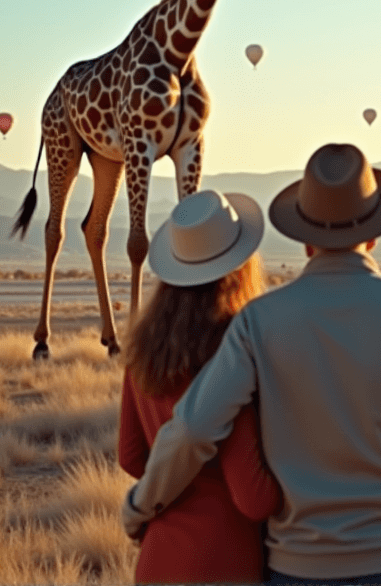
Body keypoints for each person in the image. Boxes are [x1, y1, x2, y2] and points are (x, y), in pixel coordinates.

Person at [122, 144, 381, 586]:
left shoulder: (258, 322)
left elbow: (193, 429)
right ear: (375, 234)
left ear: (304, 237)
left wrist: (141, 506)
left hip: (300, 566)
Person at [118, 187, 282, 584]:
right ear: (241, 267)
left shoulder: (144, 347)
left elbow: (131, 456)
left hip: (159, 555)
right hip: (224, 558)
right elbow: (253, 498)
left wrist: (166, 486)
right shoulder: (234, 355)